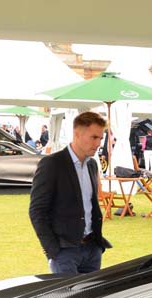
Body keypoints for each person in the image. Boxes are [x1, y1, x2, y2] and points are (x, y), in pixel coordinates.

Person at [28, 111, 112, 275]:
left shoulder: (92, 165)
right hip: (64, 252)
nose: (98, 144)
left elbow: (90, 204)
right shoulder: (52, 164)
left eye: (101, 138)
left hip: (92, 249)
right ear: (77, 134)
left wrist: (97, 244)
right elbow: (37, 211)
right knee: (68, 293)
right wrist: (52, 250)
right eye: (94, 137)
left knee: (91, 293)